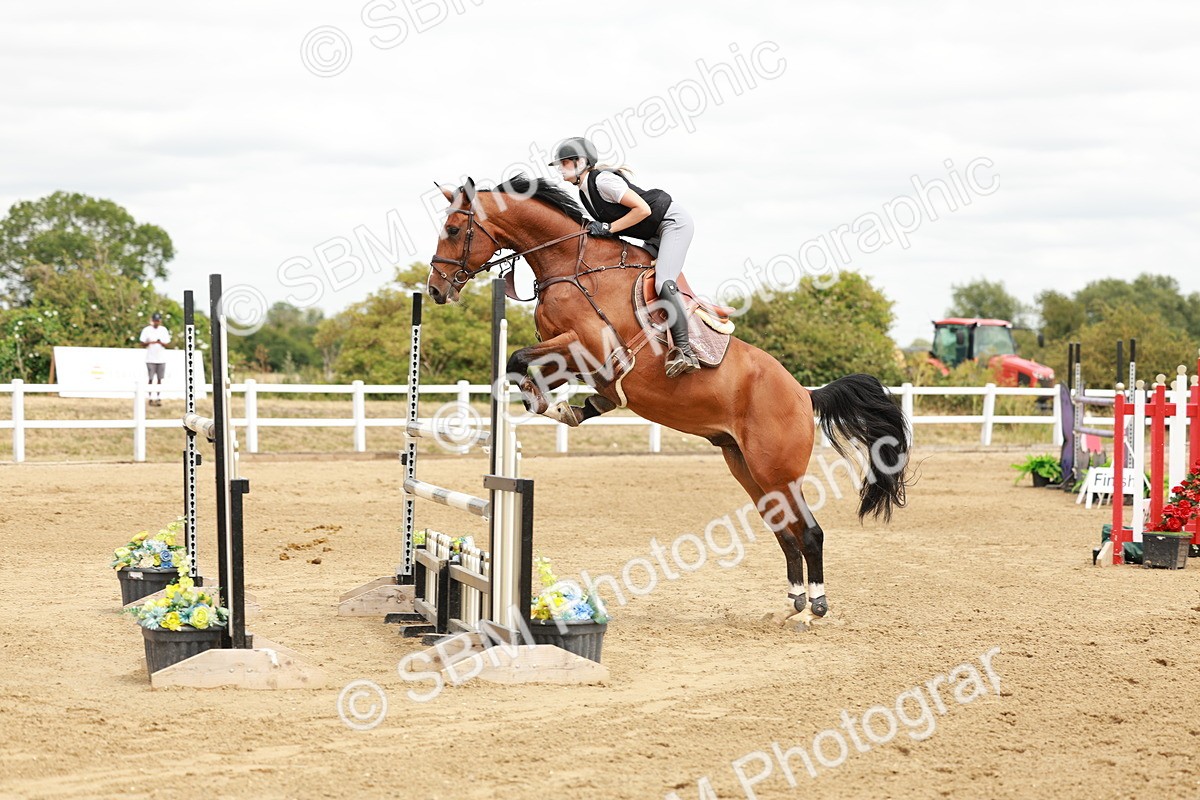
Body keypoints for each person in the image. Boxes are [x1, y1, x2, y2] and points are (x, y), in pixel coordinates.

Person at [550, 136, 699, 377]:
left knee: (663, 281)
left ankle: (684, 350)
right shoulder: (584, 192)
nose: (560, 169)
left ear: (580, 162)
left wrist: (608, 229)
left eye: (564, 163)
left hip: (672, 224)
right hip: (652, 234)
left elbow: (643, 209)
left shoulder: (603, 181)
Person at [139, 312, 171, 406]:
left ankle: (158, 397)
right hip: (150, 358)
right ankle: (150, 397)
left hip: (161, 358)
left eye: (158, 320)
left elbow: (167, 343)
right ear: (152, 320)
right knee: (150, 378)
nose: (156, 322)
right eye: (155, 320)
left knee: (160, 379)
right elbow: (142, 342)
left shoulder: (163, 330)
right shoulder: (147, 330)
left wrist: (160, 342)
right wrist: (151, 342)